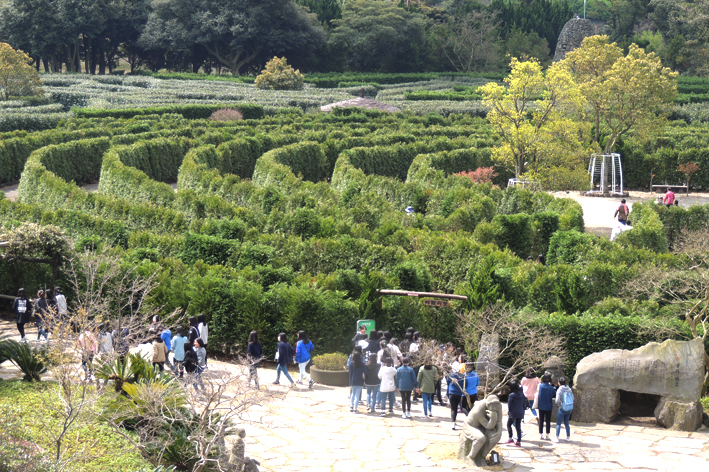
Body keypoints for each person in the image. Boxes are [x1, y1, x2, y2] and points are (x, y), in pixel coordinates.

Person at [553, 377, 574, 443]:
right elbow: (572, 398)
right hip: (569, 408)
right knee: (566, 423)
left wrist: (560, 405)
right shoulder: (569, 389)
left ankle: (557, 438)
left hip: (562, 408)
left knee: (558, 423)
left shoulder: (560, 390)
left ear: (559, 383)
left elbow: (557, 400)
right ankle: (568, 437)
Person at [505, 380, 526, 447]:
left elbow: (509, 405)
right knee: (518, 427)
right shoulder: (521, 395)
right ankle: (518, 441)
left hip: (513, 413)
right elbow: (523, 404)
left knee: (509, 425)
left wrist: (509, 411)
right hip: (520, 412)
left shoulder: (511, 395)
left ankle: (510, 438)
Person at [537, 374, 556, 441]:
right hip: (548, 406)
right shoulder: (551, 388)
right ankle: (547, 434)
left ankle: (541, 434)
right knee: (548, 421)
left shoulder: (540, 386)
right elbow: (554, 394)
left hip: (541, 405)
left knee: (541, 420)